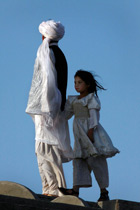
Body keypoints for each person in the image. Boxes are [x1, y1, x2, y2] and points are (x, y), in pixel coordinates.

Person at [26, 20, 73, 197]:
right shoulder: (56, 53)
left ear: (44, 35)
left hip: (48, 110)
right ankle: (49, 188)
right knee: (44, 148)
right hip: (51, 109)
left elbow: (47, 85)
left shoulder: (49, 53)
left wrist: (47, 111)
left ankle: (55, 189)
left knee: (47, 149)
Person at [59, 70, 119, 201]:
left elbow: (94, 117)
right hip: (79, 135)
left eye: (80, 82)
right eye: (75, 82)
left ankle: (104, 191)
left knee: (95, 160)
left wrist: (91, 131)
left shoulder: (91, 99)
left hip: (90, 133)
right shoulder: (73, 100)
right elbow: (66, 115)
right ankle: (75, 190)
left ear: (88, 85)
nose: (76, 85)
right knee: (78, 160)